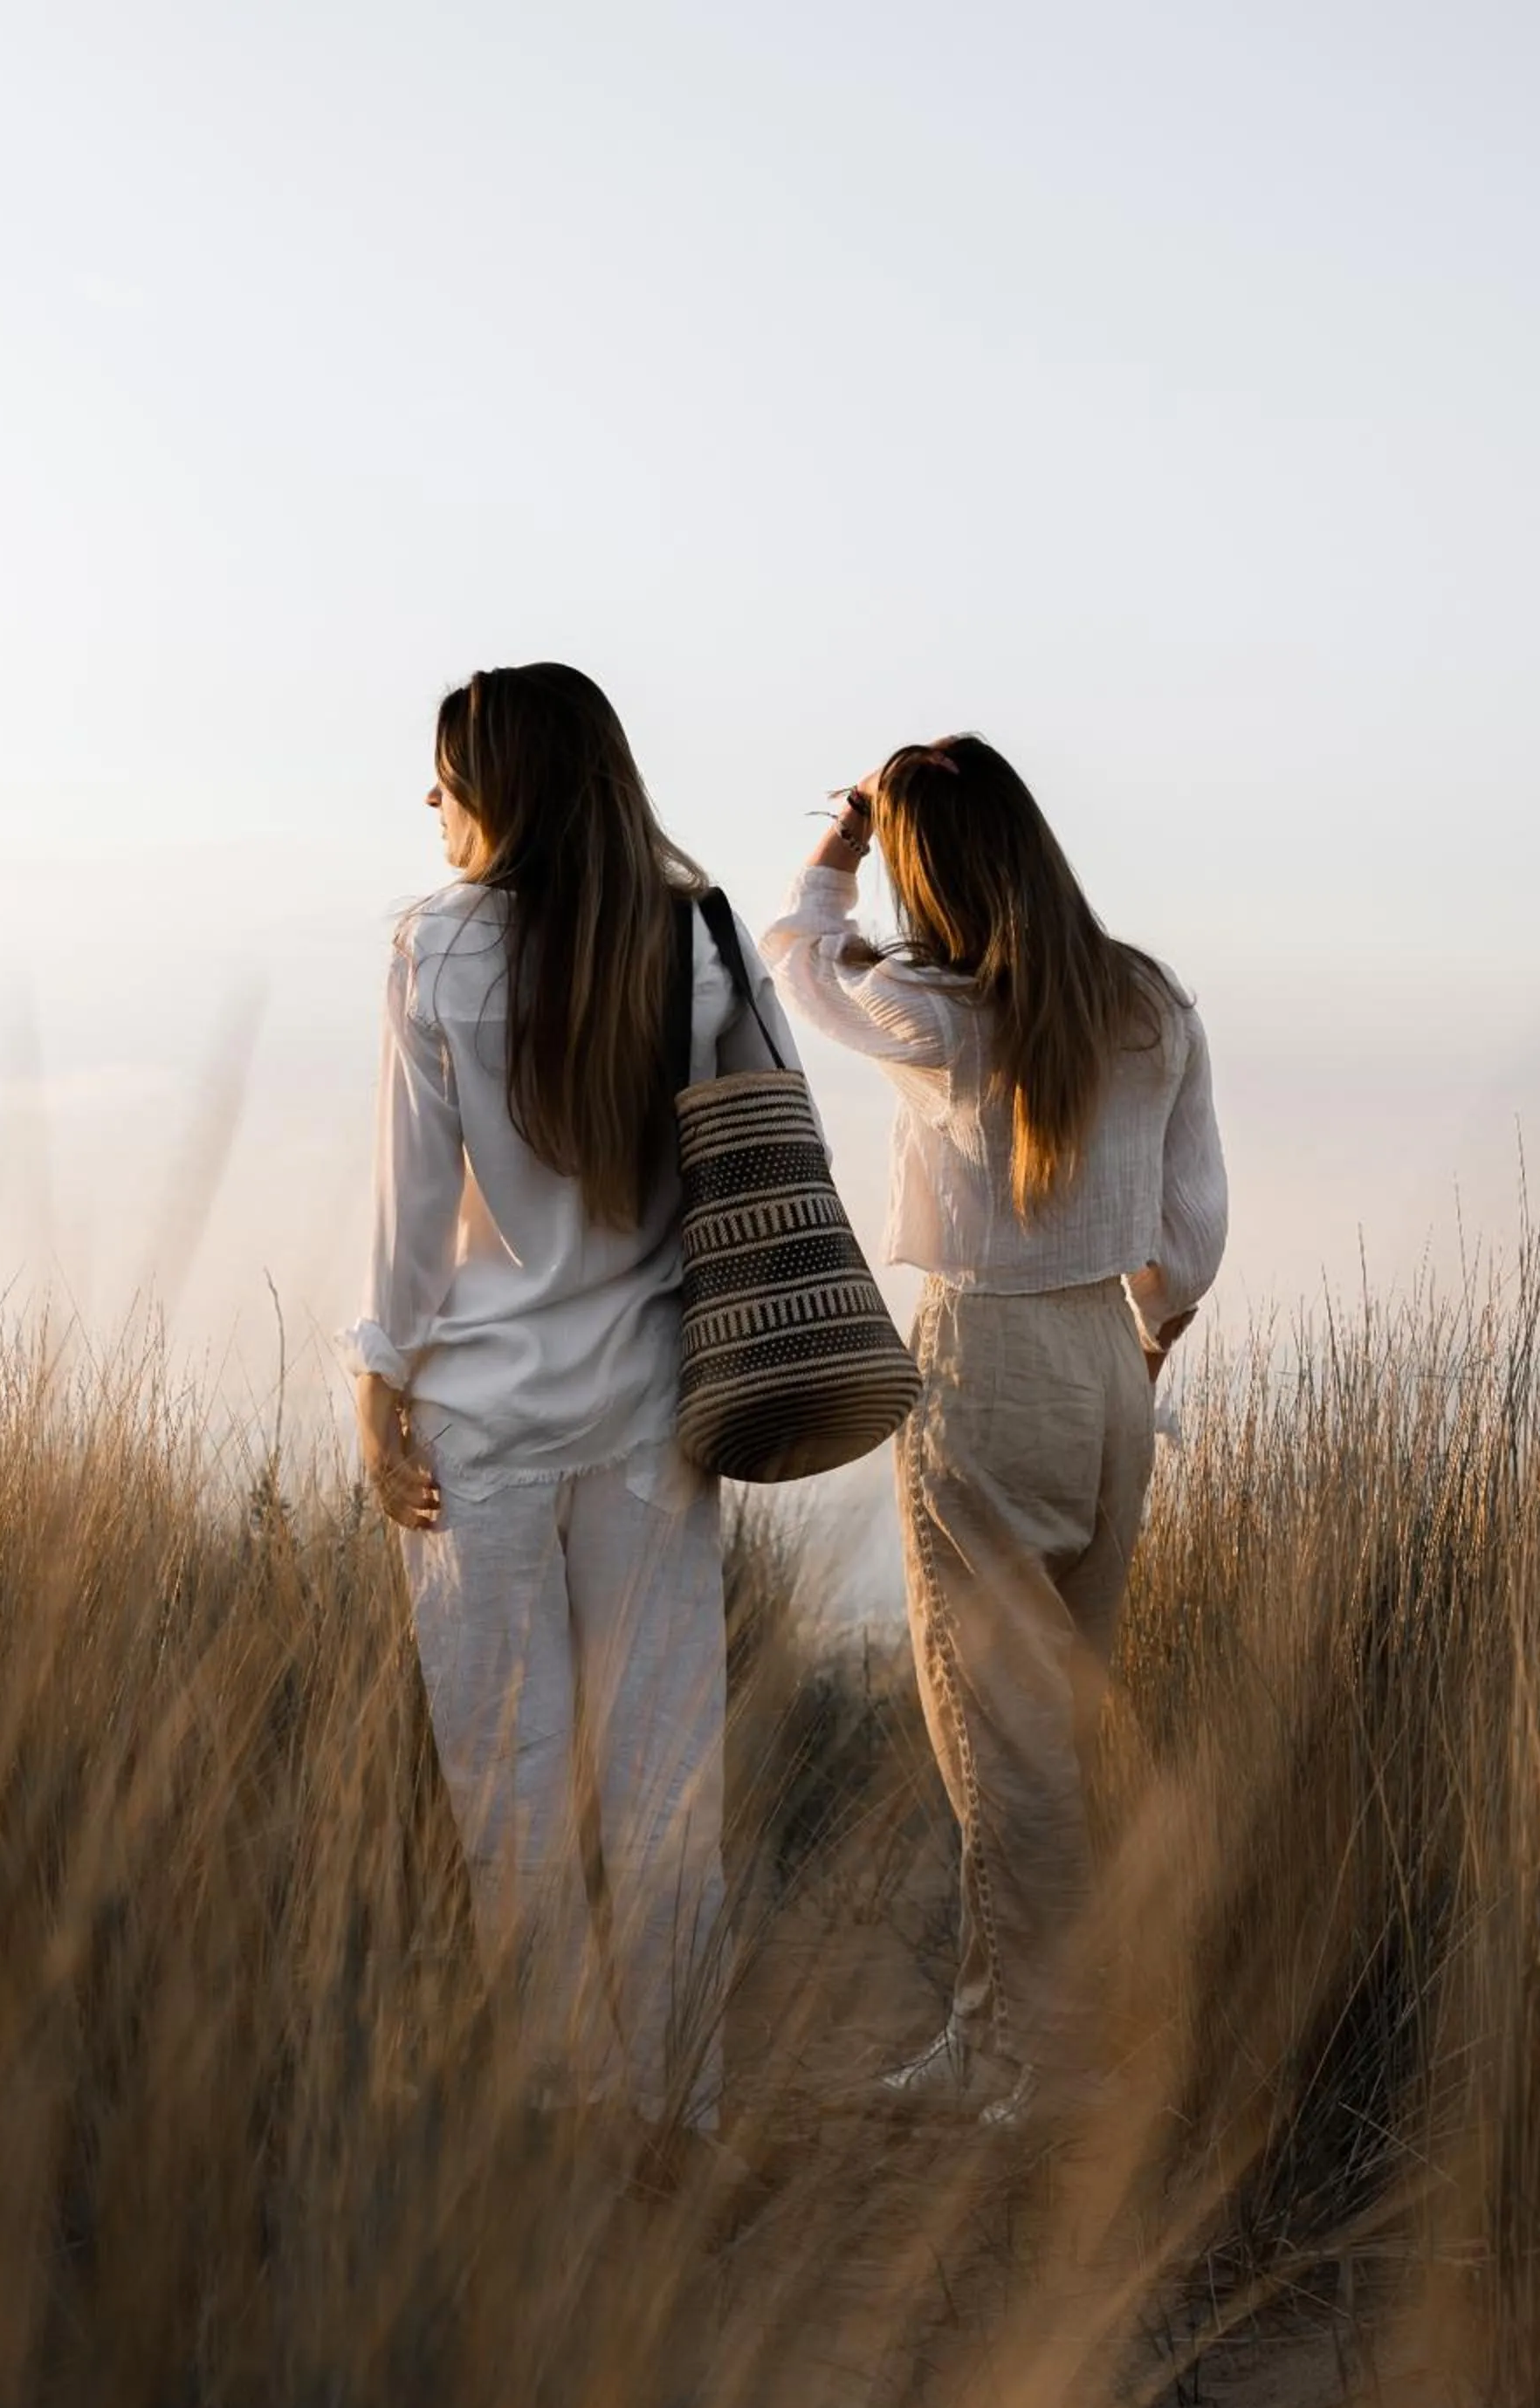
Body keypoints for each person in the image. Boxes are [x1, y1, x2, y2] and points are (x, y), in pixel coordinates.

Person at [342, 662, 803, 2148]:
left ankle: (568, 2102)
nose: (432, 801)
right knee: (666, 1765)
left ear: (506, 789)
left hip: (477, 1419)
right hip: (653, 1411)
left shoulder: (435, 951)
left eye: (448, 774)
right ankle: (682, 2116)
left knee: (510, 1780)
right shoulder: (706, 937)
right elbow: (779, 1145)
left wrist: (377, 1377)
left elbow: (413, 1213)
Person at [761, 737, 1227, 2129]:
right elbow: (1193, 1208)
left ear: (932, 867)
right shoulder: (1148, 1000)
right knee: (1045, 1719)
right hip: (1107, 1363)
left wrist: (837, 849)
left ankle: (1055, 2067)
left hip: (990, 1364)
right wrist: (1151, 1316)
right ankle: (992, 2039)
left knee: (1000, 1737)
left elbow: (796, 961)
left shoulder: (937, 1011)